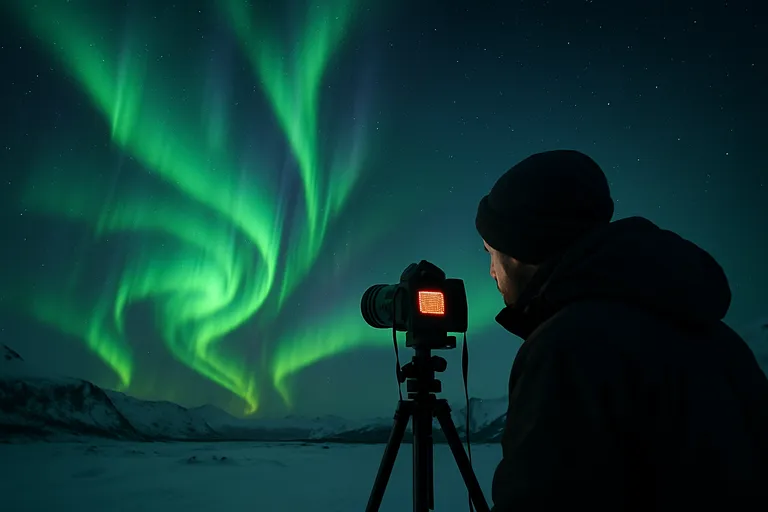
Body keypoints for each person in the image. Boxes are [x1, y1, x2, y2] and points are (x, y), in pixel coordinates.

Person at [474, 150, 768, 511]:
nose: (490, 271)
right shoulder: (716, 336)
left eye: (490, 252)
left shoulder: (567, 348)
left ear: (520, 250)